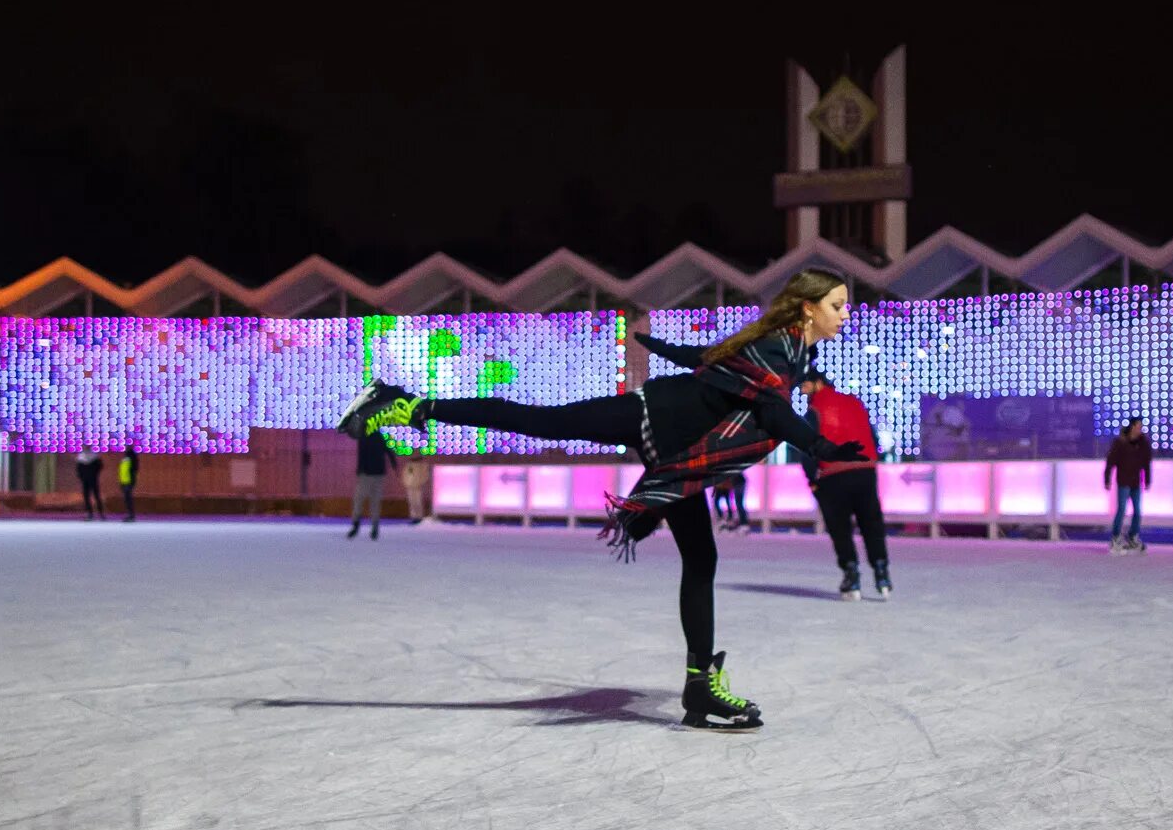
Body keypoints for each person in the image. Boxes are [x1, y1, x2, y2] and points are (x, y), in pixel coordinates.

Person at [337, 268, 866, 732]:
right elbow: (771, 412)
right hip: (651, 416)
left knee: (702, 557)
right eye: (838, 305)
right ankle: (406, 404)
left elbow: (715, 363)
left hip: (678, 450)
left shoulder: (793, 350)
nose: (845, 314)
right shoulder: (779, 349)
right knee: (543, 420)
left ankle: (699, 685)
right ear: (808, 307)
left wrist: (671, 352)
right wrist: (819, 445)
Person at [798, 371, 890, 600]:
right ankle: (881, 571)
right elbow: (873, 437)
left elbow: (807, 446)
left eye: (805, 385)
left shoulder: (814, 411)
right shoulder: (854, 402)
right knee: (871, 523)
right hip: (865, 471)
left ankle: (851, 575)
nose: (802, 391)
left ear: (818, 383)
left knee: (840, 528)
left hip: (833, 474)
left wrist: (812, 480)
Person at [1104, 417, 1152, 554]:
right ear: (1131, 427)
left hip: (1136, 482)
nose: (1140, 429)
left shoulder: (1143, 443)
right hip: (1124, 481)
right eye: (1137, 426)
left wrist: (1147, 480)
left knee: (1137, 511)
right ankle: (1115, 538)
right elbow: (1111, 461)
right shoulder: (1120, 442)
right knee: (1122, 510)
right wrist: (1107, 479)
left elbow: (1146, 463)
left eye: (1141, 427)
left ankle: (1132, 537)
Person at [347, 431, 398, 540]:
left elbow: (361, 454)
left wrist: (359, 470)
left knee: (359, 499)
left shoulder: (363, 436)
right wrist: (394, 465)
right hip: (379, 472)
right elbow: (389, 451)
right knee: (375, 501)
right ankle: (374, 527)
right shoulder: (379, 436)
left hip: (367, 473)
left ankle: (356, 524)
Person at [400, 452, 431, 524]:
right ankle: (414, 517)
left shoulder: (423, 465)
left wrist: (421, 483)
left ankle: (419, 517)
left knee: (418, 501)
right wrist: (406, 483)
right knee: (412, 501)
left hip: (418, 486)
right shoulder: (409, 465)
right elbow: (405, 475)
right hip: (410, 485)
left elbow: (426, 476)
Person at [75, 446, 105, 520]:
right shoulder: (80, 457)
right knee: (86, 496)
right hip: (85, 480)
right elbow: (78, 470)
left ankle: (100, 513)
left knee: (96, 496)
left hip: (93, 479)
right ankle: (90, 513)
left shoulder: (95, 457)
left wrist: (94, 474)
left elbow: (100, 467)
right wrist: (81, 477)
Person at [118, 446, 139, 522]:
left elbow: (133, 470)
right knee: (127, 499)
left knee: (128, 499)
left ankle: (131, 515)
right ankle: (130, 514)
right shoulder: (126, 459)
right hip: (124, 481)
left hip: (128, 481)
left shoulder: (131, 458)